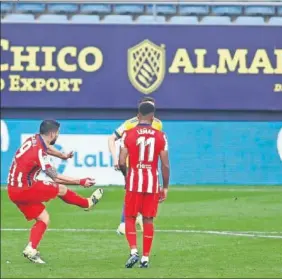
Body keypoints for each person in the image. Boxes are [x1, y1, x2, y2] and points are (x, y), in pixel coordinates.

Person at [7, 120, 104, 264]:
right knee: (61, 189)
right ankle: (86, 203)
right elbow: (56, 177)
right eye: (58, 133)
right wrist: (80, 181)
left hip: (13, 189)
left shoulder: (35, 139)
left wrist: (62, 156)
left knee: (43, 218)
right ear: (52, 133)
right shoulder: (39, 151)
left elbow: (47, 148)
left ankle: (31, 249)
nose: (58, 135)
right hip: (25, 188)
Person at [118, 101, 170, 268]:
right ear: (153, 117)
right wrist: (165, 186)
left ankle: (133, 251)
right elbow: (165, 164)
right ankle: (146, 258)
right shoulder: (161, 136)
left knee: (130, 217)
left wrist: (128, 176)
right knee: (148, 219)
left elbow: (121, 161)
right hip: (152, 183)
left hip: (134, 182)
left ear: (138, 116)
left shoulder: (128, 134)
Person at [108, 97, 163, 234]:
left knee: (148, 193)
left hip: (149, 166)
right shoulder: (129, 124)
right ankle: (125, 223)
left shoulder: (158, 124)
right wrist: (116, 158)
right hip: (131, 166)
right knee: (132, 193)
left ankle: (137, 218)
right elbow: (111, 138)